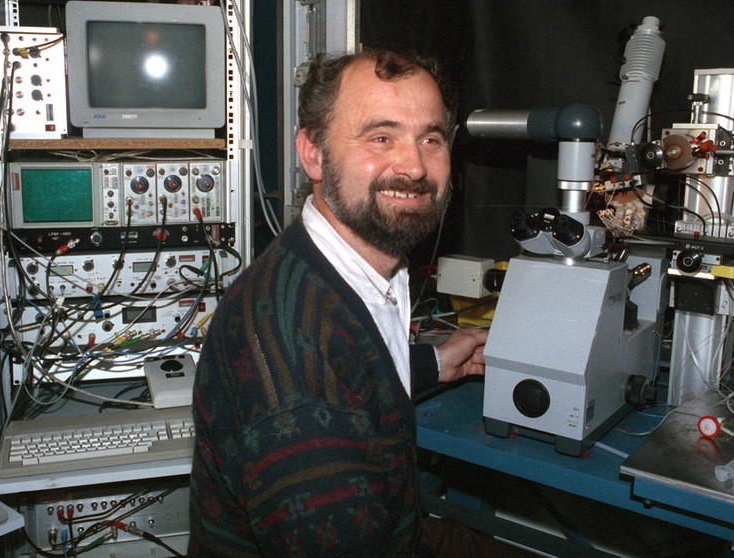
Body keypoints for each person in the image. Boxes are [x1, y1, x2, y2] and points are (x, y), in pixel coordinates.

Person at [188, 49, 527, 557]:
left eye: (430, 139)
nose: (413, 166)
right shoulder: (293, 354)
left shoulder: (326, 265)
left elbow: (348, 378)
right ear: (315, 154)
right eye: (381, 137)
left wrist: (431, 364)